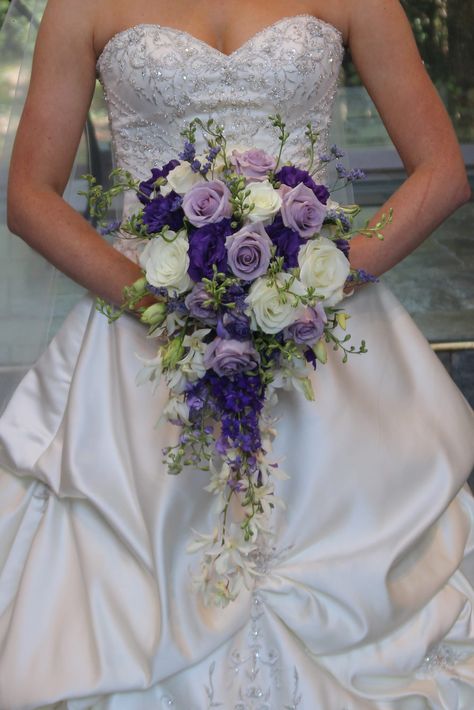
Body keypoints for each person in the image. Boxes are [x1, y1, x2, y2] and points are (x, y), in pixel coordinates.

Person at [0, 0, 473, 707]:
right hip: (144, 339)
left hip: (320, 329)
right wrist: (167, 305)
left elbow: (441, 171)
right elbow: (30, 195)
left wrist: (314, 284)